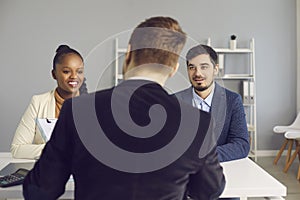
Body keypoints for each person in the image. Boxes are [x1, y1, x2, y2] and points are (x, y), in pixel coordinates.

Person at [23, 16, 225, 200]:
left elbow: (39, 190)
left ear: (128, 54)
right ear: (173, 69)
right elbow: (209, 191)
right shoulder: (197, 122)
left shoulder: (77, 110)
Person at [11, 45, 88, 159]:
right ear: (54, 74)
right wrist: (56, 148)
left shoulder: (94, 106)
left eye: (79, 71)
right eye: (66, 71)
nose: (74, 76)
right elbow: (17, 149)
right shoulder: (38, 102)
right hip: (49, 173)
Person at [175, 44, 250, 162]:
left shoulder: (232, 100)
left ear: (215, 69)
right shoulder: (173, 101)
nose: (197, 73)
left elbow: (241, 145)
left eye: (204, 67)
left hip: (221, 169)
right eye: (192, 67)